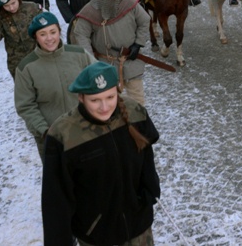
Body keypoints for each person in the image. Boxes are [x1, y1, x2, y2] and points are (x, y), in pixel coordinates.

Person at [42, 62, 160, 246]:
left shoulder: (134, 112)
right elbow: (55, 197)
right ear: (81, 98)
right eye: (95, 100)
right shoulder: (63, 134)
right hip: (97, 235)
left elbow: (145, 155)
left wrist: (150, 190)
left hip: (138, 225)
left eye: (110, 97)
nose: (104, 107)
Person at [14, 12, 95, 159]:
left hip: (86, 131)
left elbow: (99, 81)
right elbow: (25, 106)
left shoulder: (79, 54)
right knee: (60, 179)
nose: (49, 38)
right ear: (35, 37)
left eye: (53, 32)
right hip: (52, 137)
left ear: (59, 31)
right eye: (43, 34)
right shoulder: (26, 67)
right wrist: (45, 131)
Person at [74, 0, 151, 105]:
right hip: (105, 65)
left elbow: (144, 21)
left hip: (130, 61)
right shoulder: (90, 11)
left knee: (138, 104)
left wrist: (138, 44)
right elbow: (81, 34)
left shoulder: (129, 3)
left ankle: (138, 127)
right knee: (111, 106)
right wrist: (92, 62)